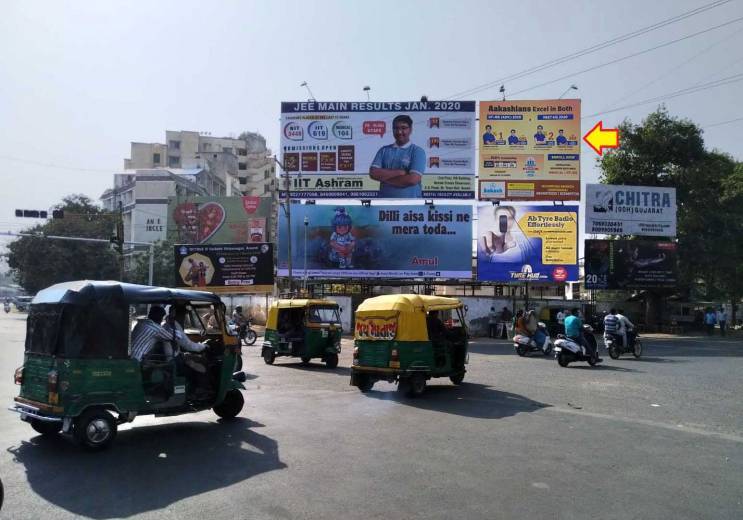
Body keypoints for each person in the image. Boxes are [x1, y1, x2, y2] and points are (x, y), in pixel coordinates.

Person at [369, 114, 426, 198]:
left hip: (411, 206)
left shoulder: (417, 151)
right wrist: (399, 172)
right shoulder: (384, 150)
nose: (399, 132)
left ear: (410, 130)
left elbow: (412, 180)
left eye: (403, 128)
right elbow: (373, 173)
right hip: (383, 205)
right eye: (396, 128)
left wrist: (384, 178)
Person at [163, 304, 211, 399]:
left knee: (193, 357)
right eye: (183, 313)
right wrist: (204, 346)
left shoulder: (167, 324)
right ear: (174, 313)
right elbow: (188, 345)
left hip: (173, 356)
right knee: (203, 362)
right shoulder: (173, 327)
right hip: (173, 360)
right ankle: (199, 390)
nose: (184, 316)